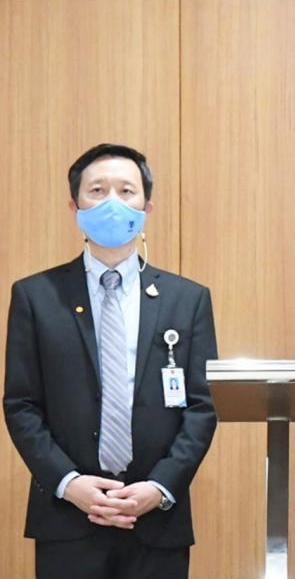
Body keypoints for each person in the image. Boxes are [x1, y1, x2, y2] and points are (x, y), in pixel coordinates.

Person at [3, 144, 218, 579]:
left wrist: (160, 486)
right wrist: (69, 483)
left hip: (157, 519)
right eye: (97, 190)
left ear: (147, 207)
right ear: (75, 207)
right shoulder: (35, 296)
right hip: (68, 517)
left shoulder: (188, 299)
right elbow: (21, 405)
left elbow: (202, 406)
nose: (112, 202)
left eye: (126, 190)